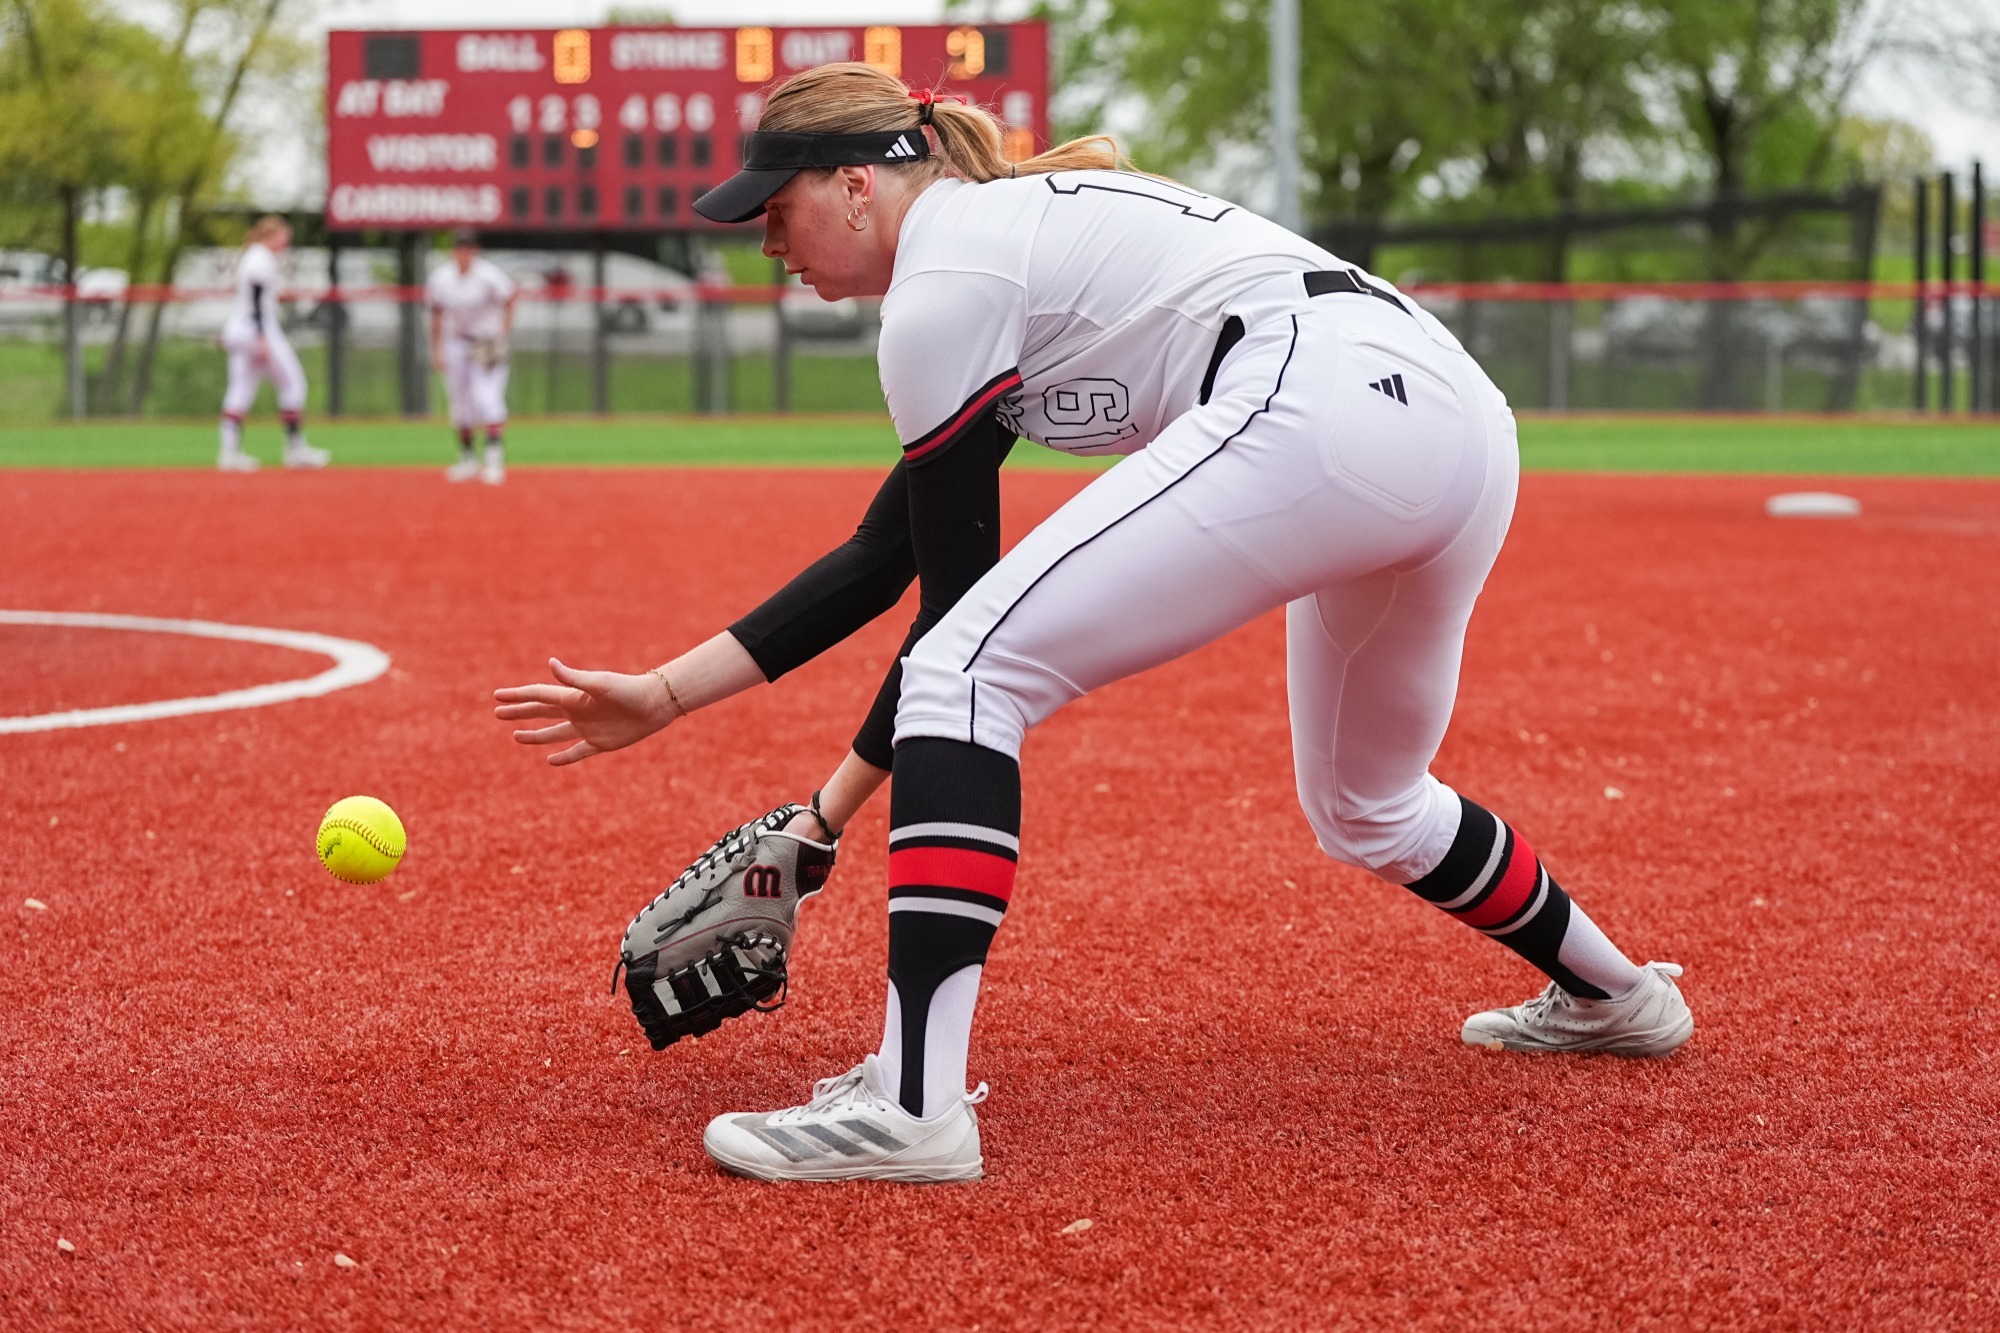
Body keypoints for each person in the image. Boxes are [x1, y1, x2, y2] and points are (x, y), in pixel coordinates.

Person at [493, 63, 1693, 1184]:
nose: (766, 243)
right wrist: (665, 695)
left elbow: (951, 623)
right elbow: (884, 554)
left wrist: (821, 821)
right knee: (1366, 802)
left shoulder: (942, 283)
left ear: (858, 184)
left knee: (967, 671)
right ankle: (1615, 995)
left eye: (777, 208)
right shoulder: (988, 245)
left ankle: (910, 1106)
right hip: (1453, 423)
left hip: (1317, 397)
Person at [217, 216, 327, 473]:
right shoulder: (261, 257)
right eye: (283, 237)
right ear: (270, 235)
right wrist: (261, 336)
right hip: (258, 330)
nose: (286, 242)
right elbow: (256, 297)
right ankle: (295, 450)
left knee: (239, 391)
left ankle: (229, 453)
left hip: (240, 329)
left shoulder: (252, 255)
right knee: (293, 384)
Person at [427, 228, 518, 485]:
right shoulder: (441, 278)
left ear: (475, 250)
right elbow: (436, 314)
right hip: (455, 342)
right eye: (459, 247)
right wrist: (436, 349)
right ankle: (467, 459)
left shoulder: (488, 275)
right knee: (460, 404)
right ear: (453, 251)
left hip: (485, 343)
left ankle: (493, 459)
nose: (463, 253)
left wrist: (503, 333)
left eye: (468, 248)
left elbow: (511, 297)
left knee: (487, 399)